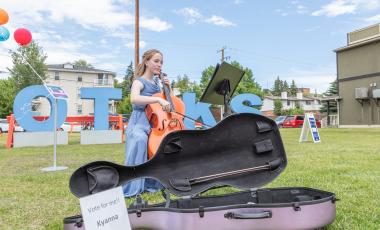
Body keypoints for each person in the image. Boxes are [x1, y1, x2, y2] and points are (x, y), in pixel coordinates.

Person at [123, 49, 171, 197]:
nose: (159, 65)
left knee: (161, 145)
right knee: (140, 139)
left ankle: (151, 183)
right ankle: (133, 185)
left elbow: (170, 104)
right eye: (156, 61)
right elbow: (134, 99)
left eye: (161, 62)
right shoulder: (138, 81)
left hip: (154, 124)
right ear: (146, 62)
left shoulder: (158, 85)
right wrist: (157, 99)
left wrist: (168, 89)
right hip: (138, 124)